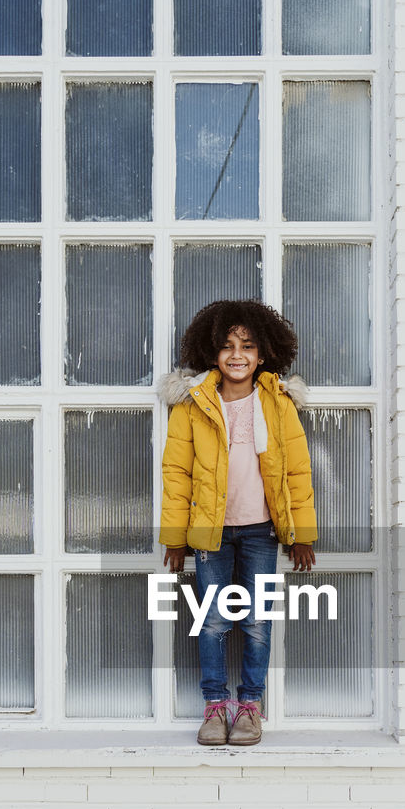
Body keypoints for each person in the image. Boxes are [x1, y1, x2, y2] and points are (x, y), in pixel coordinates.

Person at [158, 299, 317, 746]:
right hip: (211, 533)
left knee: (257, 620)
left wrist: (301, 534)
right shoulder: (193, 406)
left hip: (262, 531)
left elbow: (297, 472)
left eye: (247, 345)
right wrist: (174, 537)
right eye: (227, 346)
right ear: (212, 353)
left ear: (263, 353)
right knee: (212, 620)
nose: (237, 354)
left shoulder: (278, 403)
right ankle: (214, 707)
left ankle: (249, 707)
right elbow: (177, 474)